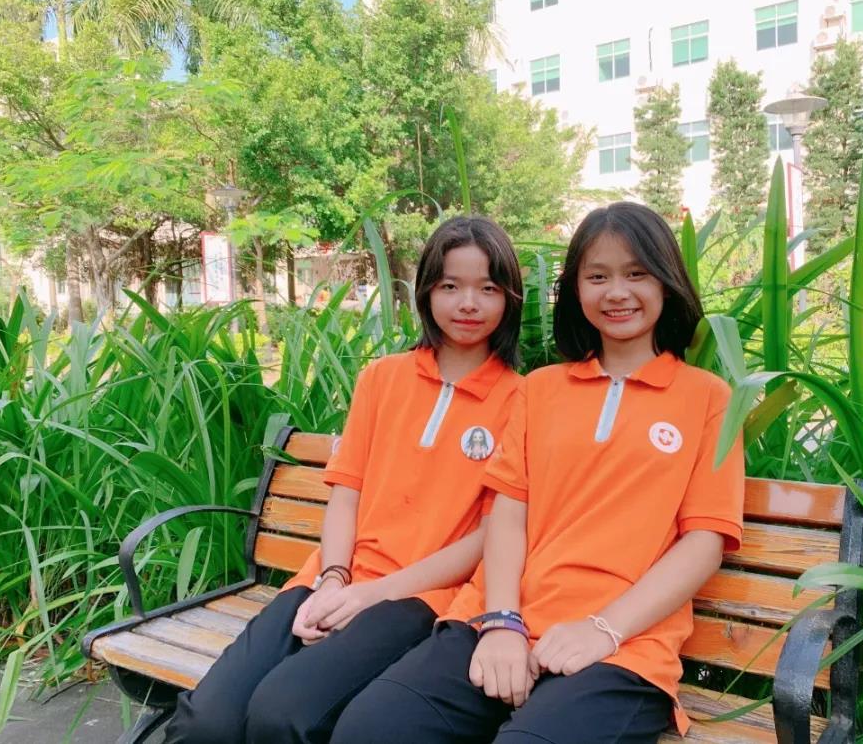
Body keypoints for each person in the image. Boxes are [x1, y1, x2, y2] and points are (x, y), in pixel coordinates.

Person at [333, 202, 746, 744]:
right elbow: (508, 515)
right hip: (496, 621)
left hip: (624, 646)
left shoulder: (708, 399)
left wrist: (603, 630)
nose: (616, 292)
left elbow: (705, 542)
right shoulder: (541, 389)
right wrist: (503, 621)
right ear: (575, 289)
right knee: (369, 728)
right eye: (597, 277)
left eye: (636, 274)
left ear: (667, 283)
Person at [164, 215, 524, 744]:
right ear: (426, 291)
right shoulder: (382, 378)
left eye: (487, 289)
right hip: (330, 578)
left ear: (509, 298)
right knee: (208, 722)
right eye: (450, 286)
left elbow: (489, 537)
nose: (468, 303)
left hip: (419, 598)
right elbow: (346, 492)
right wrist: (333, 579)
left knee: (283, 714)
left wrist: (369, 595)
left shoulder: (520, 401)